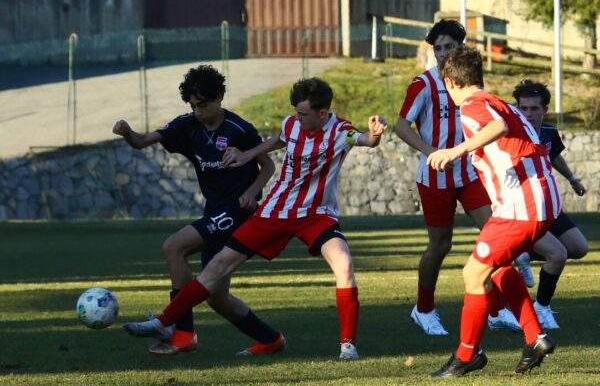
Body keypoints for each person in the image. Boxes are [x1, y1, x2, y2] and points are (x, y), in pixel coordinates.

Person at [121, 77, 388, 360]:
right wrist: (246, 154)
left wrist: (375, 133)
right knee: (218, 266)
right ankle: (163, 321)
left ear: (322, 114)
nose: (297, 118)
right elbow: (277, 140)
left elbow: (364, 140)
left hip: (315, 215)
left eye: (304, 114)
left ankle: (348, 346)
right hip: (274, 212)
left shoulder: (340, 130)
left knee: (344, 262)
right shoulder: (292, 124)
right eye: (296, 112)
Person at [112, 64, 285, 356]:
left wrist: (251, 193)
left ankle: (181, 332)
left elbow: (268, 165)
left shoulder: (239, 129)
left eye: (203, 105)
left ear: (219, 96)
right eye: (193, 106)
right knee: (216, 297)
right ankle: (270, 339)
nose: (198, 111)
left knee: (173, 247)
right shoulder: (187, 125)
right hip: (214, 212)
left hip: (238, 214)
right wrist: (128, 133)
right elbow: (142, 142)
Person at [427, 47, 562, 377]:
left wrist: (456, 150)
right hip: (535, 200)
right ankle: (535, 337)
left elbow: (497, 127)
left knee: (473, 274)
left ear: (449, 81)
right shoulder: (495, 99)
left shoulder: (473, 106)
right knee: (497, 267)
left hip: (521, 205)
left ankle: (467, 354)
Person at [395, 19, 492, 336]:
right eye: (437, 48)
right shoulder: (423, 84)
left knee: (495, 236)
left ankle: (498, 309)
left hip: (469, 172)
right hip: (435, 178)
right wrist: (431, 150)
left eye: (449, 47)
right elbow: (401, 126)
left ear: (461, 48)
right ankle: (423, 310)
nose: (442, 53)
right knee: (440, 245)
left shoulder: (472, 83)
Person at [510, 79, 589, 329]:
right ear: (517, 109)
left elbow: (554, 156)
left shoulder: (549, 133)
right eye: (524, 108)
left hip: (550, 206)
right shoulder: (509, 134)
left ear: (545, 110)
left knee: (579, 248)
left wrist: (573, 179)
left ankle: (523, 255)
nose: (529, 113)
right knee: (559, 254)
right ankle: (541, 307)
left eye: (535, 109)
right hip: (527, 209)